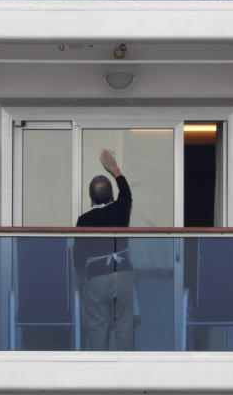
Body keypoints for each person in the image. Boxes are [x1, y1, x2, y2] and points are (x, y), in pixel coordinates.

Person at [74, 149, 133, 350]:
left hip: (97, 275)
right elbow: (127, 194)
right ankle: (125, 370)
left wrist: (81, 281)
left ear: (90, 197)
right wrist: (115, 170)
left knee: (98, 326)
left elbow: (78, 255)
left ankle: (99, 371)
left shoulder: (84, 220)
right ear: (112, 194)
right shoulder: (120, 208)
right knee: (124, 324)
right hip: (123, 272)